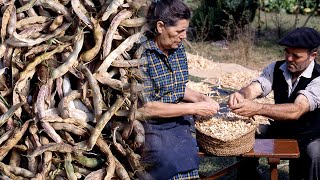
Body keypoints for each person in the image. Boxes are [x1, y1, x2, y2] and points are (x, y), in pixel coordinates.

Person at [138, 0, 220, 179]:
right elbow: (146, 108)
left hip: (177, 119)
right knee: (166, 159)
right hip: (151, 125)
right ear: (160, 27)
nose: (183, 36)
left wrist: (200, 98)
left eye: (185, 30)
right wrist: (194, 108)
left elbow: (177, 88)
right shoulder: (142, 55)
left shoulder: (177, 49)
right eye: (179, 31)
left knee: (187, 151)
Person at [228, 27, 320, 180]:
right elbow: (257, 87)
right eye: (287, 52)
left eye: (296, 56)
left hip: (310, 136)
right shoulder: (277, 68)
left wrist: (257, 108)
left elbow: (297, 110)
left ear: (312, 56)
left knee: (315, 153)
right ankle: (247, 176)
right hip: (281, 131)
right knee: (247, 135)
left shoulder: (318, 78)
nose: (289, 58)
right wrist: (242, 94)